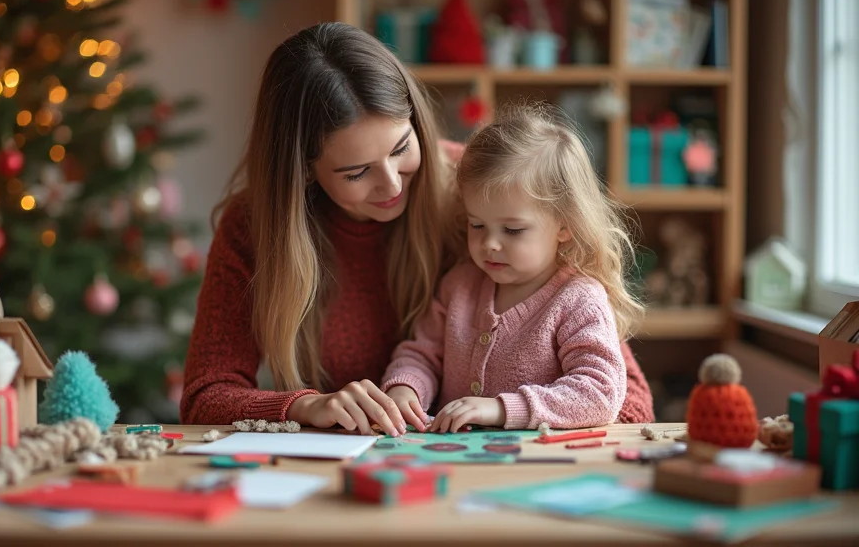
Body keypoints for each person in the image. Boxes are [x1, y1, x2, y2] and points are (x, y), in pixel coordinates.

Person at [179, 23, 654, 434]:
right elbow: (205, 396)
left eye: (401, 148)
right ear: (304, 172)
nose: (391, 185)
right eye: (355, 172)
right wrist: (306, 405)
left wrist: (513, 418)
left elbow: (627, 399)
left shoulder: (487, 192)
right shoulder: (255, 228)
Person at [383, 104, 644, 433]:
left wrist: (502, 409)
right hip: (455, 459)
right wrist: (406, 388)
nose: (490, 243)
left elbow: (599, 393)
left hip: (537, 467)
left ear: (564, 226)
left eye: (512, 230)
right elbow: (422, 353)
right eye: (476, 225)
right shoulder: (460, 285)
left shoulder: (578, 299)